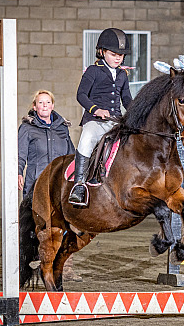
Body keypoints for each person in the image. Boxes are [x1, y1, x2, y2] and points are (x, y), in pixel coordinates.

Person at [18, 89, 81, 281]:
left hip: (60, 186)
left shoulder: (62, 128)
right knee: (37, 225)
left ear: (52, 105)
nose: (44, 106)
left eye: (47, 103)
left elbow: (72, 155)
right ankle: (31, 264)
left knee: (65, 223)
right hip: (37, 184)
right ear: (35, 106)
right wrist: (18, 171)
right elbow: (19, 153)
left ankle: (65, 267)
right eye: (40, 103)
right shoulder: (27, 129)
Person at [68, 28, 132, 207]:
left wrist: (137, 112)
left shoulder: (122, 74)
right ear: (102, 52)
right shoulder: (93, 71)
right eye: (113, 54)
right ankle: (79, 185)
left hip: (116, 121)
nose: (118, 58)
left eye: (121, 55)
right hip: (96, 121)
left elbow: (126, 99)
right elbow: (81, 95)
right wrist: (96, 110)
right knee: (87, 139)